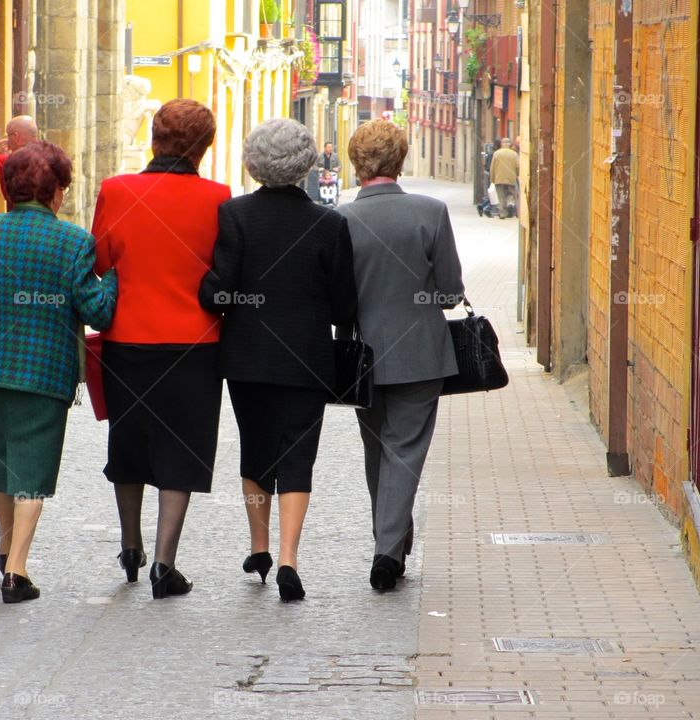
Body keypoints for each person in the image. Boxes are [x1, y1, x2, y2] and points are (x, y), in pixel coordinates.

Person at [0, 141, 118, 604]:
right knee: (32, 473)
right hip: (44, 374)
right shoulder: (74, 241)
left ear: (8, 188)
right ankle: (16, 572)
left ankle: (6, 548)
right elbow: (98, 311)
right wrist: (115, 277)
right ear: (56, 192)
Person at [199, 118, 357, 602]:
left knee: (255, 449)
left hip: (247, 356)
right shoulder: (330, 224)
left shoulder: (235, 214)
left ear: (254, 163)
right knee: (298, 456)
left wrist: (210, 288)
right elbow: (345, 307)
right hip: (307, 357)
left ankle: (259, 547)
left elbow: (219, 293)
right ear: (306, 163)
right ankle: (289, 558)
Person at [92, 99, 231, 600]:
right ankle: (164, 562)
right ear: (203, 148)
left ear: (154, 139)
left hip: (127, 339)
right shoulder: (219, 198)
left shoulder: (116, 190)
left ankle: (130, 546)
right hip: (195, 345)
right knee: (182, 450)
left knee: (128, 443)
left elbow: (100, 260)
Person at [336, 119, 464, 591]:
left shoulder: (340, 220)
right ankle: (387, 553)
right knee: (403, 450)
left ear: (356, 163)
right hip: (420, 355)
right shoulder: (431, 213)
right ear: (401, 160)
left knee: (377, 450)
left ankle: (389, 542)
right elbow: (450, 294)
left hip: (362, 358)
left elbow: (337, 301)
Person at [490, 137, 519, 218]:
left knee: (501, 196)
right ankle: (510, 203)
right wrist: (517, 174)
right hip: (511, 177)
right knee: (511, 193)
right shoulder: (514, 154)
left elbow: (492, 167)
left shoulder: (496, 154)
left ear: (502, 144)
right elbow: (518, 166)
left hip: (499, 178)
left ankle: (503, 213)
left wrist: (492, 179)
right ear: (510, 144)